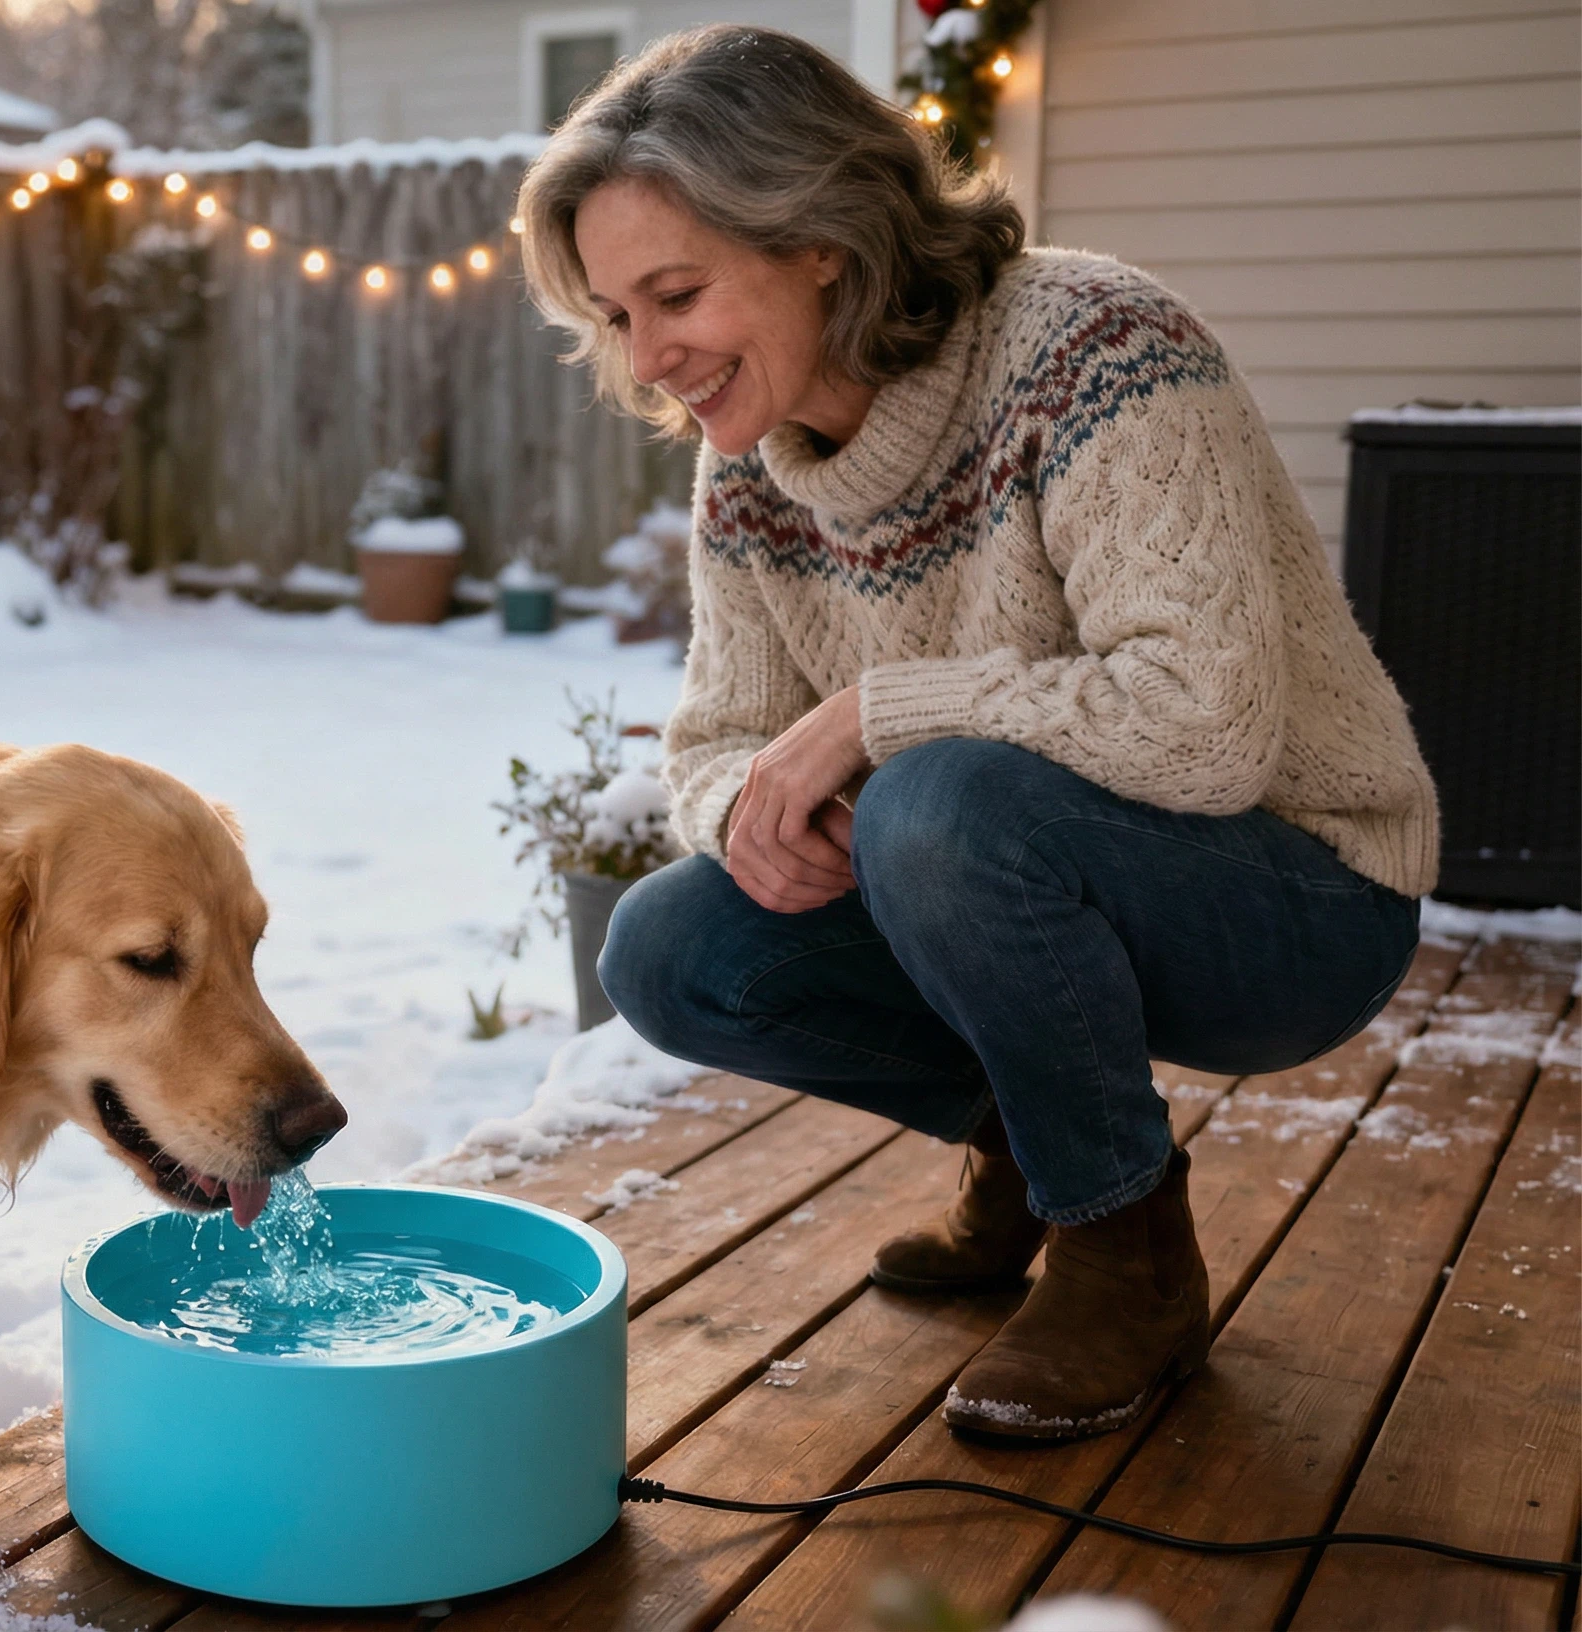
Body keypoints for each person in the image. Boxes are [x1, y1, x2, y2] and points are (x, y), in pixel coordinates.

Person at [514, 25, 1436, 1442]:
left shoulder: (1094, 344)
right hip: (1005, 867)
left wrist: (872, 720)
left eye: (676, 295)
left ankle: (1127, 1258)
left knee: (936, 805)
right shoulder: (751, 469)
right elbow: (713, 745)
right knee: (666, 947)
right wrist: (759, 819)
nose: (648, 359)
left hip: (1299, 894)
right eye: (616, 316)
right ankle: (1041, 1143)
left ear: (820, 240)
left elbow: (1206, 728)